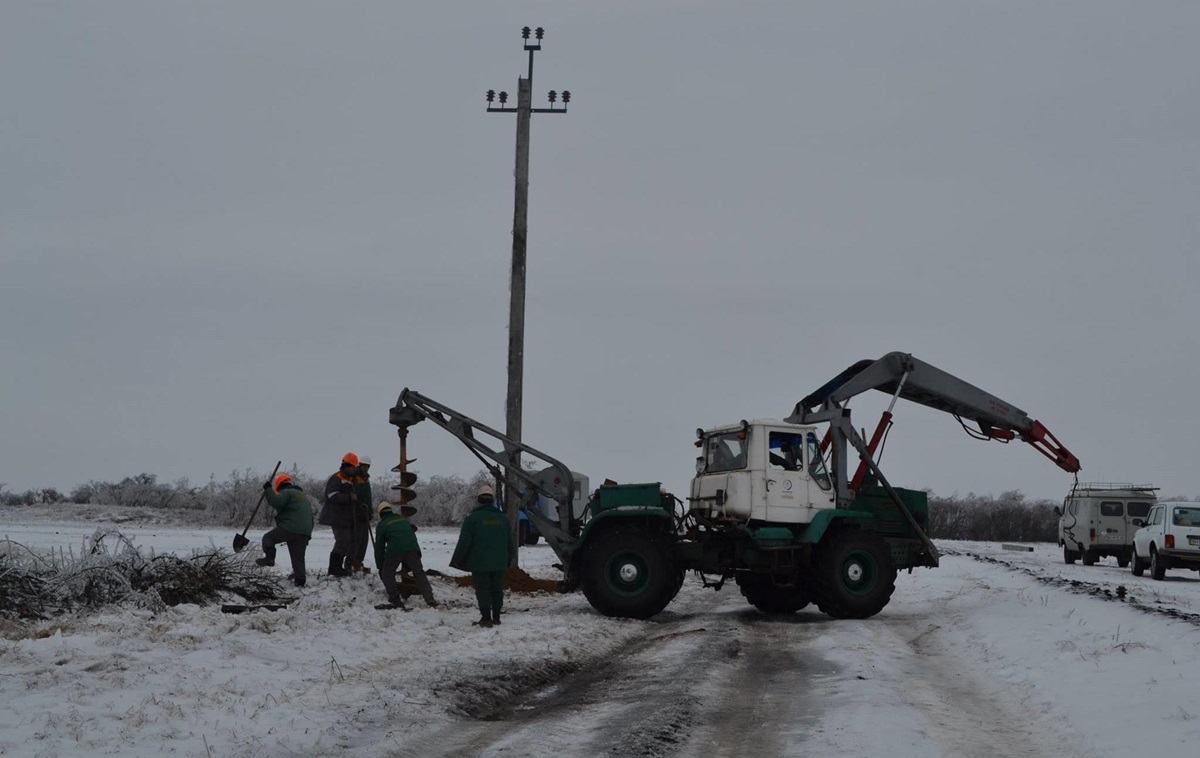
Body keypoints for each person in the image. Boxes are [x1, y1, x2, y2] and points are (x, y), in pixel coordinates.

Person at [450, 484, 515, 628]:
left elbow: (464, 542)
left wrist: (457, 560)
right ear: (492, 500)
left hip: (480, 562)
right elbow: (510, 542)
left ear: (479, 500)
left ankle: (486, 618)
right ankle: (496, 617)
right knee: (497, 589)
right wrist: (509, 559)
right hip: (499, 561)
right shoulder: (503, 519)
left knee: (483, 589)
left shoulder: (472, 519)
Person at [374, 500, 438, 609]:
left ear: (380, 513)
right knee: (419, 572)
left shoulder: (382, 525)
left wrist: (380, 565)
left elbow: (379, 548)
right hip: (413, 548)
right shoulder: (402, 519)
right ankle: (430, 598)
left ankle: (395, 600)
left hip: (395, 550)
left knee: (387, 574)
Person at [256, 474, 314, 587]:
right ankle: (300, 580)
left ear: (280, 486)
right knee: (298, 557)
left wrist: (268, 489)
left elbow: (276, 502)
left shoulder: (287, 492)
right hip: (305, 531)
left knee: (268, 538)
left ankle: (269, 558)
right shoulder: (303, 497)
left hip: (290, 528)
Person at [318, 452, 360, 578]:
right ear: (347, 466)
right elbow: (331, 495)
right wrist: (348, 497)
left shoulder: (350, 481)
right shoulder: (336, 478)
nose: (354, 470)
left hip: (346, 518)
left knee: (347, 542)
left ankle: (338, 567)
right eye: (353, 467)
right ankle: (334, 568)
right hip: (336, 517)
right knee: (342, 541)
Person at [349, 455, 374, 573]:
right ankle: (352, 562)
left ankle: (358, 562)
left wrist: (370, 512)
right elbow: (355, 495)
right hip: (357, 514)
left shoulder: (366, 478)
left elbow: (368, 497)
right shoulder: (355, 477)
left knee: (364, 540)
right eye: (364, 466)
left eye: (367, 466)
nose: (366, 468)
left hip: (365, 514)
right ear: (360, 465)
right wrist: (359, 507)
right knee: (356, 539)